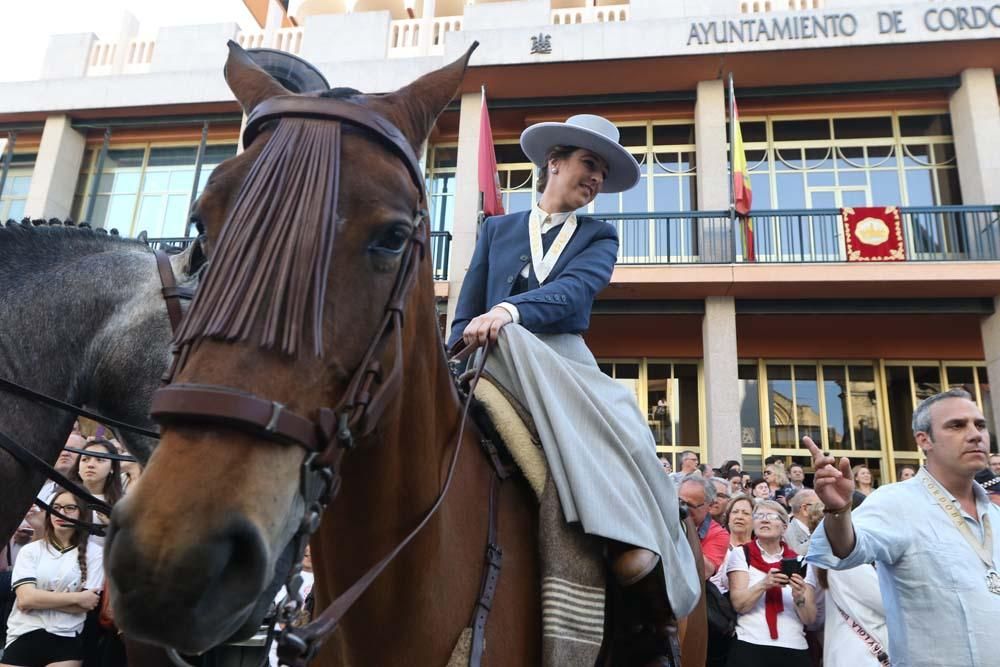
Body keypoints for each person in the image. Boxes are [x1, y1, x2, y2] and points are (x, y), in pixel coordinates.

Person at [447, 113, 700, 664]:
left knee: (630, 431)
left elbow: (574, 293)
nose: (594, 178)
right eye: (588, 164)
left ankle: (647, 580)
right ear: (554, 163)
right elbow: (465, 312)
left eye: (601, 172)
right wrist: (450, 355)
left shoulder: (600, 235)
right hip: (489, 359)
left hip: (563, 361)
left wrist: (510, 310)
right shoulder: (496, 229)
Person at [805, 388, 1000, 667]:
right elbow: (847, 549)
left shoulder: (995, 515)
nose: (974, 434)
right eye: (956, 425)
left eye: (980, 425)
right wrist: (838, 511)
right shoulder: (896, 502)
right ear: (924, 440)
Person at [3, 490, 103, 667]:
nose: (61, 513)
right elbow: (26, 599)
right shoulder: (30, 550)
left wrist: (39, 598)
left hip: (66, 638)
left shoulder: (95, 553)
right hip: (24, 632)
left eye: (70, 508)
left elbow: (85, 607)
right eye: (56, 508)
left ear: (83, 513)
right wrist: (77, 597)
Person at [726, 499, 816, 666]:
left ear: (785, 527)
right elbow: (739, 604)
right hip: (750, 644)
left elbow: (809, 619)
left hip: (793, 647)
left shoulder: (801, 562)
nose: (764, 519)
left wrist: (799, 596)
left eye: (772, 516)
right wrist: (764, 584)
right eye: (759, 515)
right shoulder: (741, 554)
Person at [678, 476, 731, 579]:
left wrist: (686, 527)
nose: (681, 508)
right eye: (680, 502)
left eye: (689, 505)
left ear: (710, 506)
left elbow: (705, 571)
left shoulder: (719, 534)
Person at [38, 435, 85, 505]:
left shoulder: (86, 491)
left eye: (72, 450)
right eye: (61, 449)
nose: (65, 453)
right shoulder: (40, 489)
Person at [784, 490, 819, 556]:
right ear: (805, 509)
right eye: (819, 506)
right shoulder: (787, 532)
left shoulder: (818, 527)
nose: (824, 510)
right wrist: (822, 535)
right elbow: (796, 554)